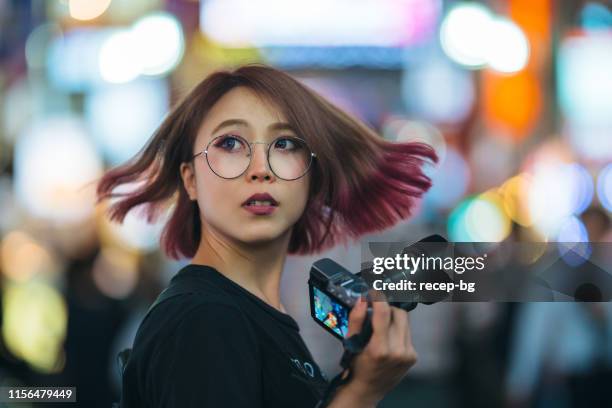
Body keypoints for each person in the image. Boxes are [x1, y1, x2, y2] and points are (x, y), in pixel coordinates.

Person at [97, 64, 438, 407]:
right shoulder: (205, 320)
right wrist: (361, 392)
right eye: (230, 143)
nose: (261, 169)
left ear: (311, 177)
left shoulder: (255, 315)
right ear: (190, 180)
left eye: (285, 143)